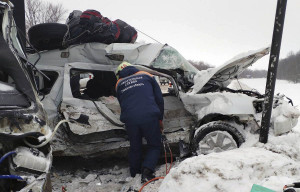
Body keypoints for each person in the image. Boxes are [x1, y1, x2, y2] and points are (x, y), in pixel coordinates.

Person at [115, 61, 164, 182]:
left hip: (130, 119)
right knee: (154, 145)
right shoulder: (147, 75)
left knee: (135, 147)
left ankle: (134, 173)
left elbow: (122, 104)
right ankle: (147, 172)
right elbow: (159, 99)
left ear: (118, 73)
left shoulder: (119, 83)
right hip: (149, 115)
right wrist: (160, 119)